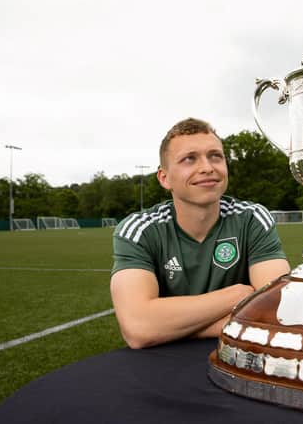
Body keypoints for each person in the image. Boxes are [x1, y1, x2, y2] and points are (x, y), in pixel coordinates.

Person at [110, 117, 290, 349]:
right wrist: (237, 294)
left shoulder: (252, 219)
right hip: (163, 364)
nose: (207, 167)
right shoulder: (139, 230)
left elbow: (279, 310)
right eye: (189, 159)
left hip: (239, 356)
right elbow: (139, 328)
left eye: (215, 156)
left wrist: (171, 328)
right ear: (164, 178)